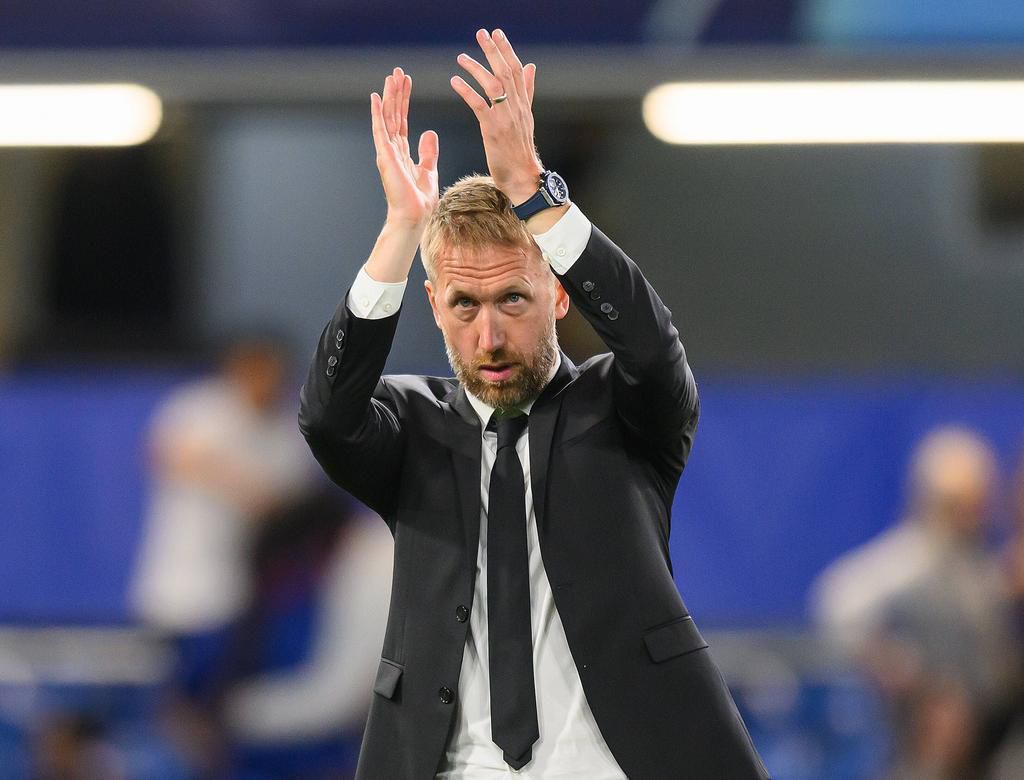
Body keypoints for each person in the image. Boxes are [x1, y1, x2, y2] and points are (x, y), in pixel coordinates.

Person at [299, 28, 768, 779]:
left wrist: (537, 194)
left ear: (556, 293)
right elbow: (326, 416)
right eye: (463, 305)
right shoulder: (412, 430)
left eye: (512, 297)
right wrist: (397, 232)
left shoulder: (620, 406)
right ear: (433, 305)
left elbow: (653, 349)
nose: (488, 333)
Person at [811, 426, 1016, 777]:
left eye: (976, 503)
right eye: (960, 504)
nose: (972, 516)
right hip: (913, 745)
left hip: (980, 744)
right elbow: (838, 608)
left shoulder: (978, 568)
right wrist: (908, 675)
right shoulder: (908, 560)